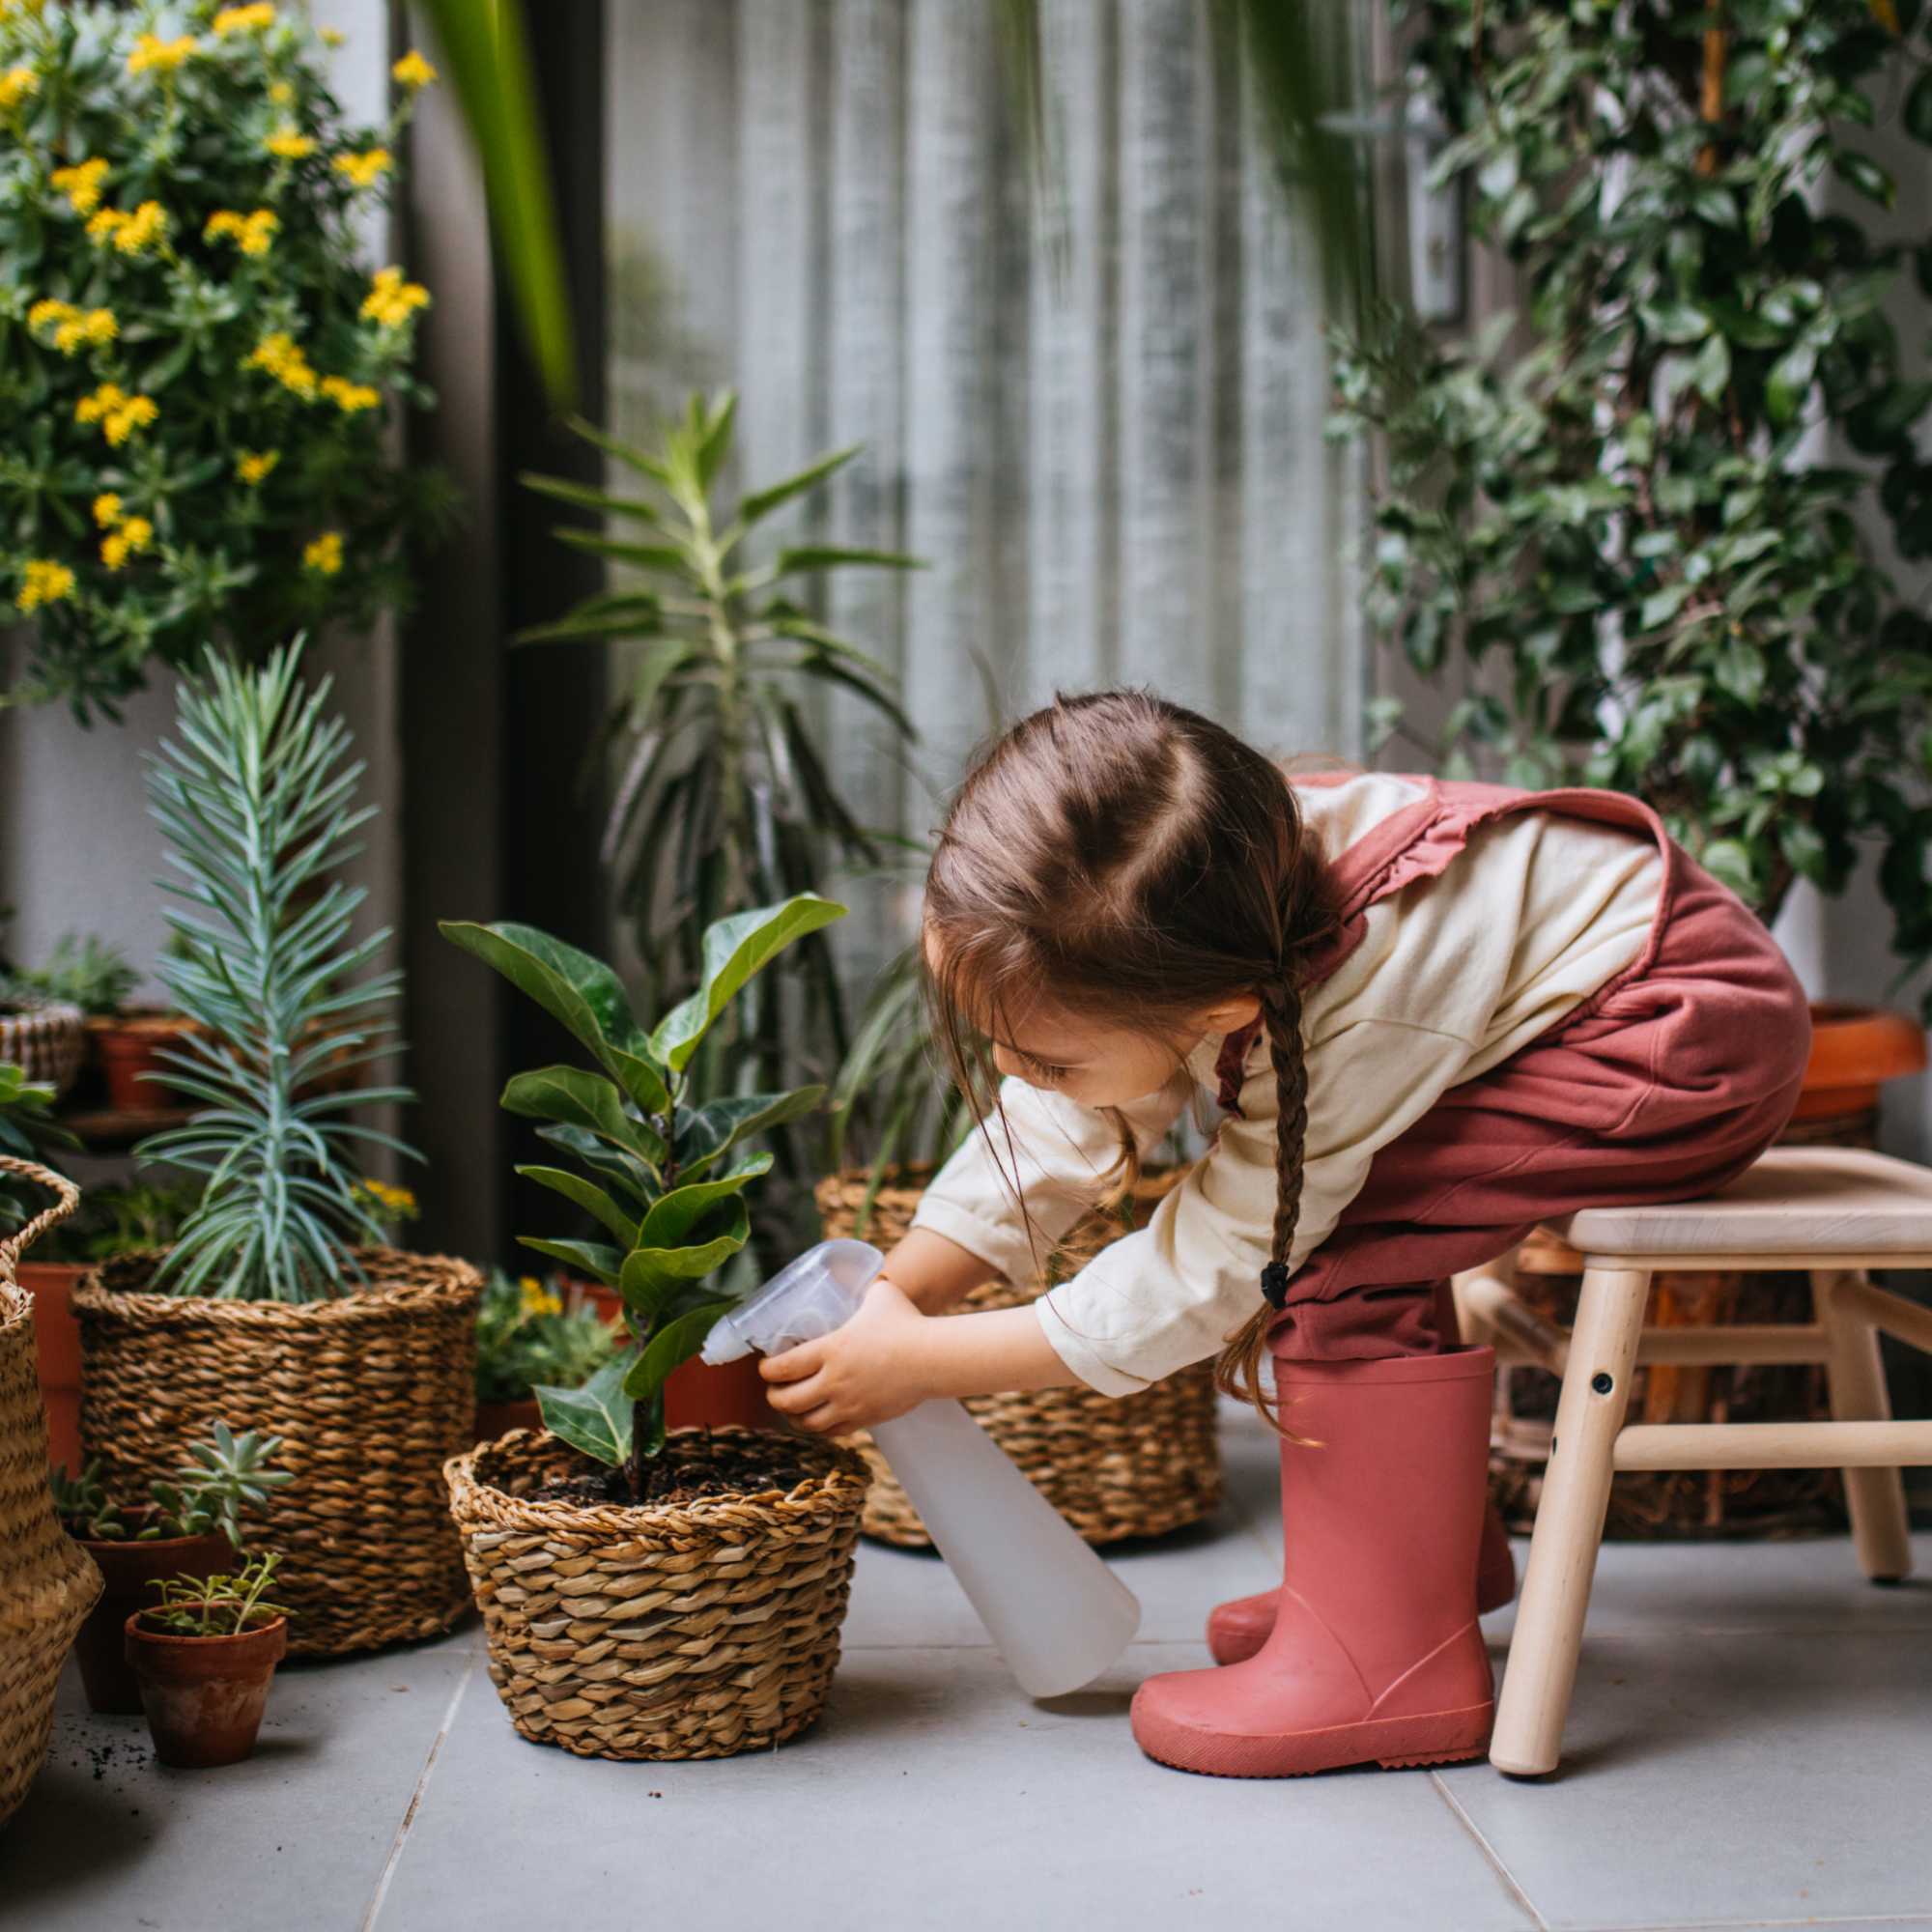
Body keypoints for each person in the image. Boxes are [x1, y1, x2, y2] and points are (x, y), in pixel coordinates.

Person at [761, 691, 1810, 1777]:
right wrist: (913, 1282)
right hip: (1601, 996)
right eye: (995, 1043)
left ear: (1213, 1010)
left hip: (1673, 1043)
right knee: (1336, 1209)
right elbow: (1059, 1113)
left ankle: (1389, 1665)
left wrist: (927, 1356)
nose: (1016, 1073)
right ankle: (1409, 1574)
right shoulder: (1199, 883)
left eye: (1047, 1055)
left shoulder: (1356, 993)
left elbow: (1220, 1263)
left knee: (1324, 1248)